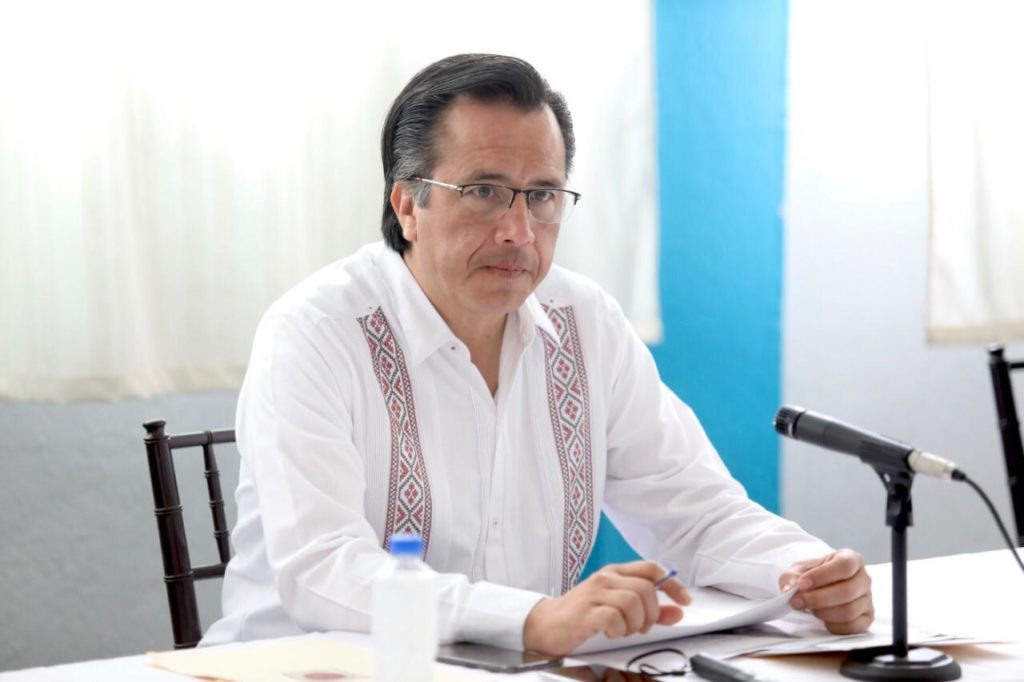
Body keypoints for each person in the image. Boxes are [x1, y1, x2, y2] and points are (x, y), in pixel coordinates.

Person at [201, 53, 873, 655]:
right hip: (302, 668)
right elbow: (321, 569)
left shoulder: (585, 323)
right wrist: (530, 620)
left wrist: (803, 572)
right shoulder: (314, 331)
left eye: (543, 196)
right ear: (408, 206)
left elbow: (696, 512)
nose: (519, 232)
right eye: (484, 192)